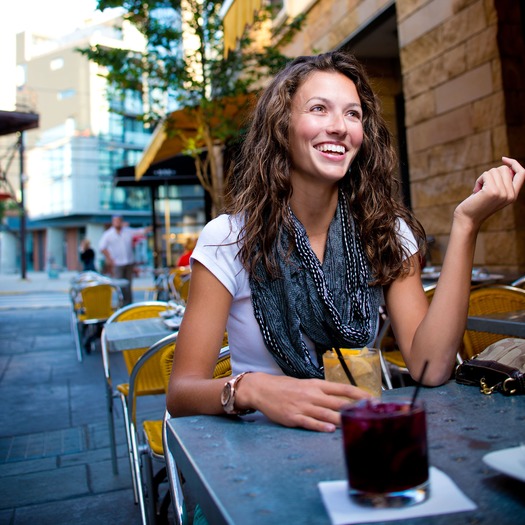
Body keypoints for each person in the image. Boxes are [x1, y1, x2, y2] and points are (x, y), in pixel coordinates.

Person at [166, 51, 524, 432]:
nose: (339, 126)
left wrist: (466, 224)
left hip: (360, 437)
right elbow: (182, 392)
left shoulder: (384, 232)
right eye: (319, 109)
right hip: (261, 451)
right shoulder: (228, 238)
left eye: (353, 114)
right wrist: (253, 389)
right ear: (281, 125)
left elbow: (430, 367)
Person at [98, 215, 152, 304]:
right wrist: (109, 258)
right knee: (120, 285)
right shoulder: (108, 234)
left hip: (129, 262)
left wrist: (150, 228)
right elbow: (102, 247)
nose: (117, 223)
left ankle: (128, 303)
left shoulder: (127, 231)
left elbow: (139, 231)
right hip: (118, 263)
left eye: (119, 221)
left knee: (128, 284)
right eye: (115, 221)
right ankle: (122, 302)